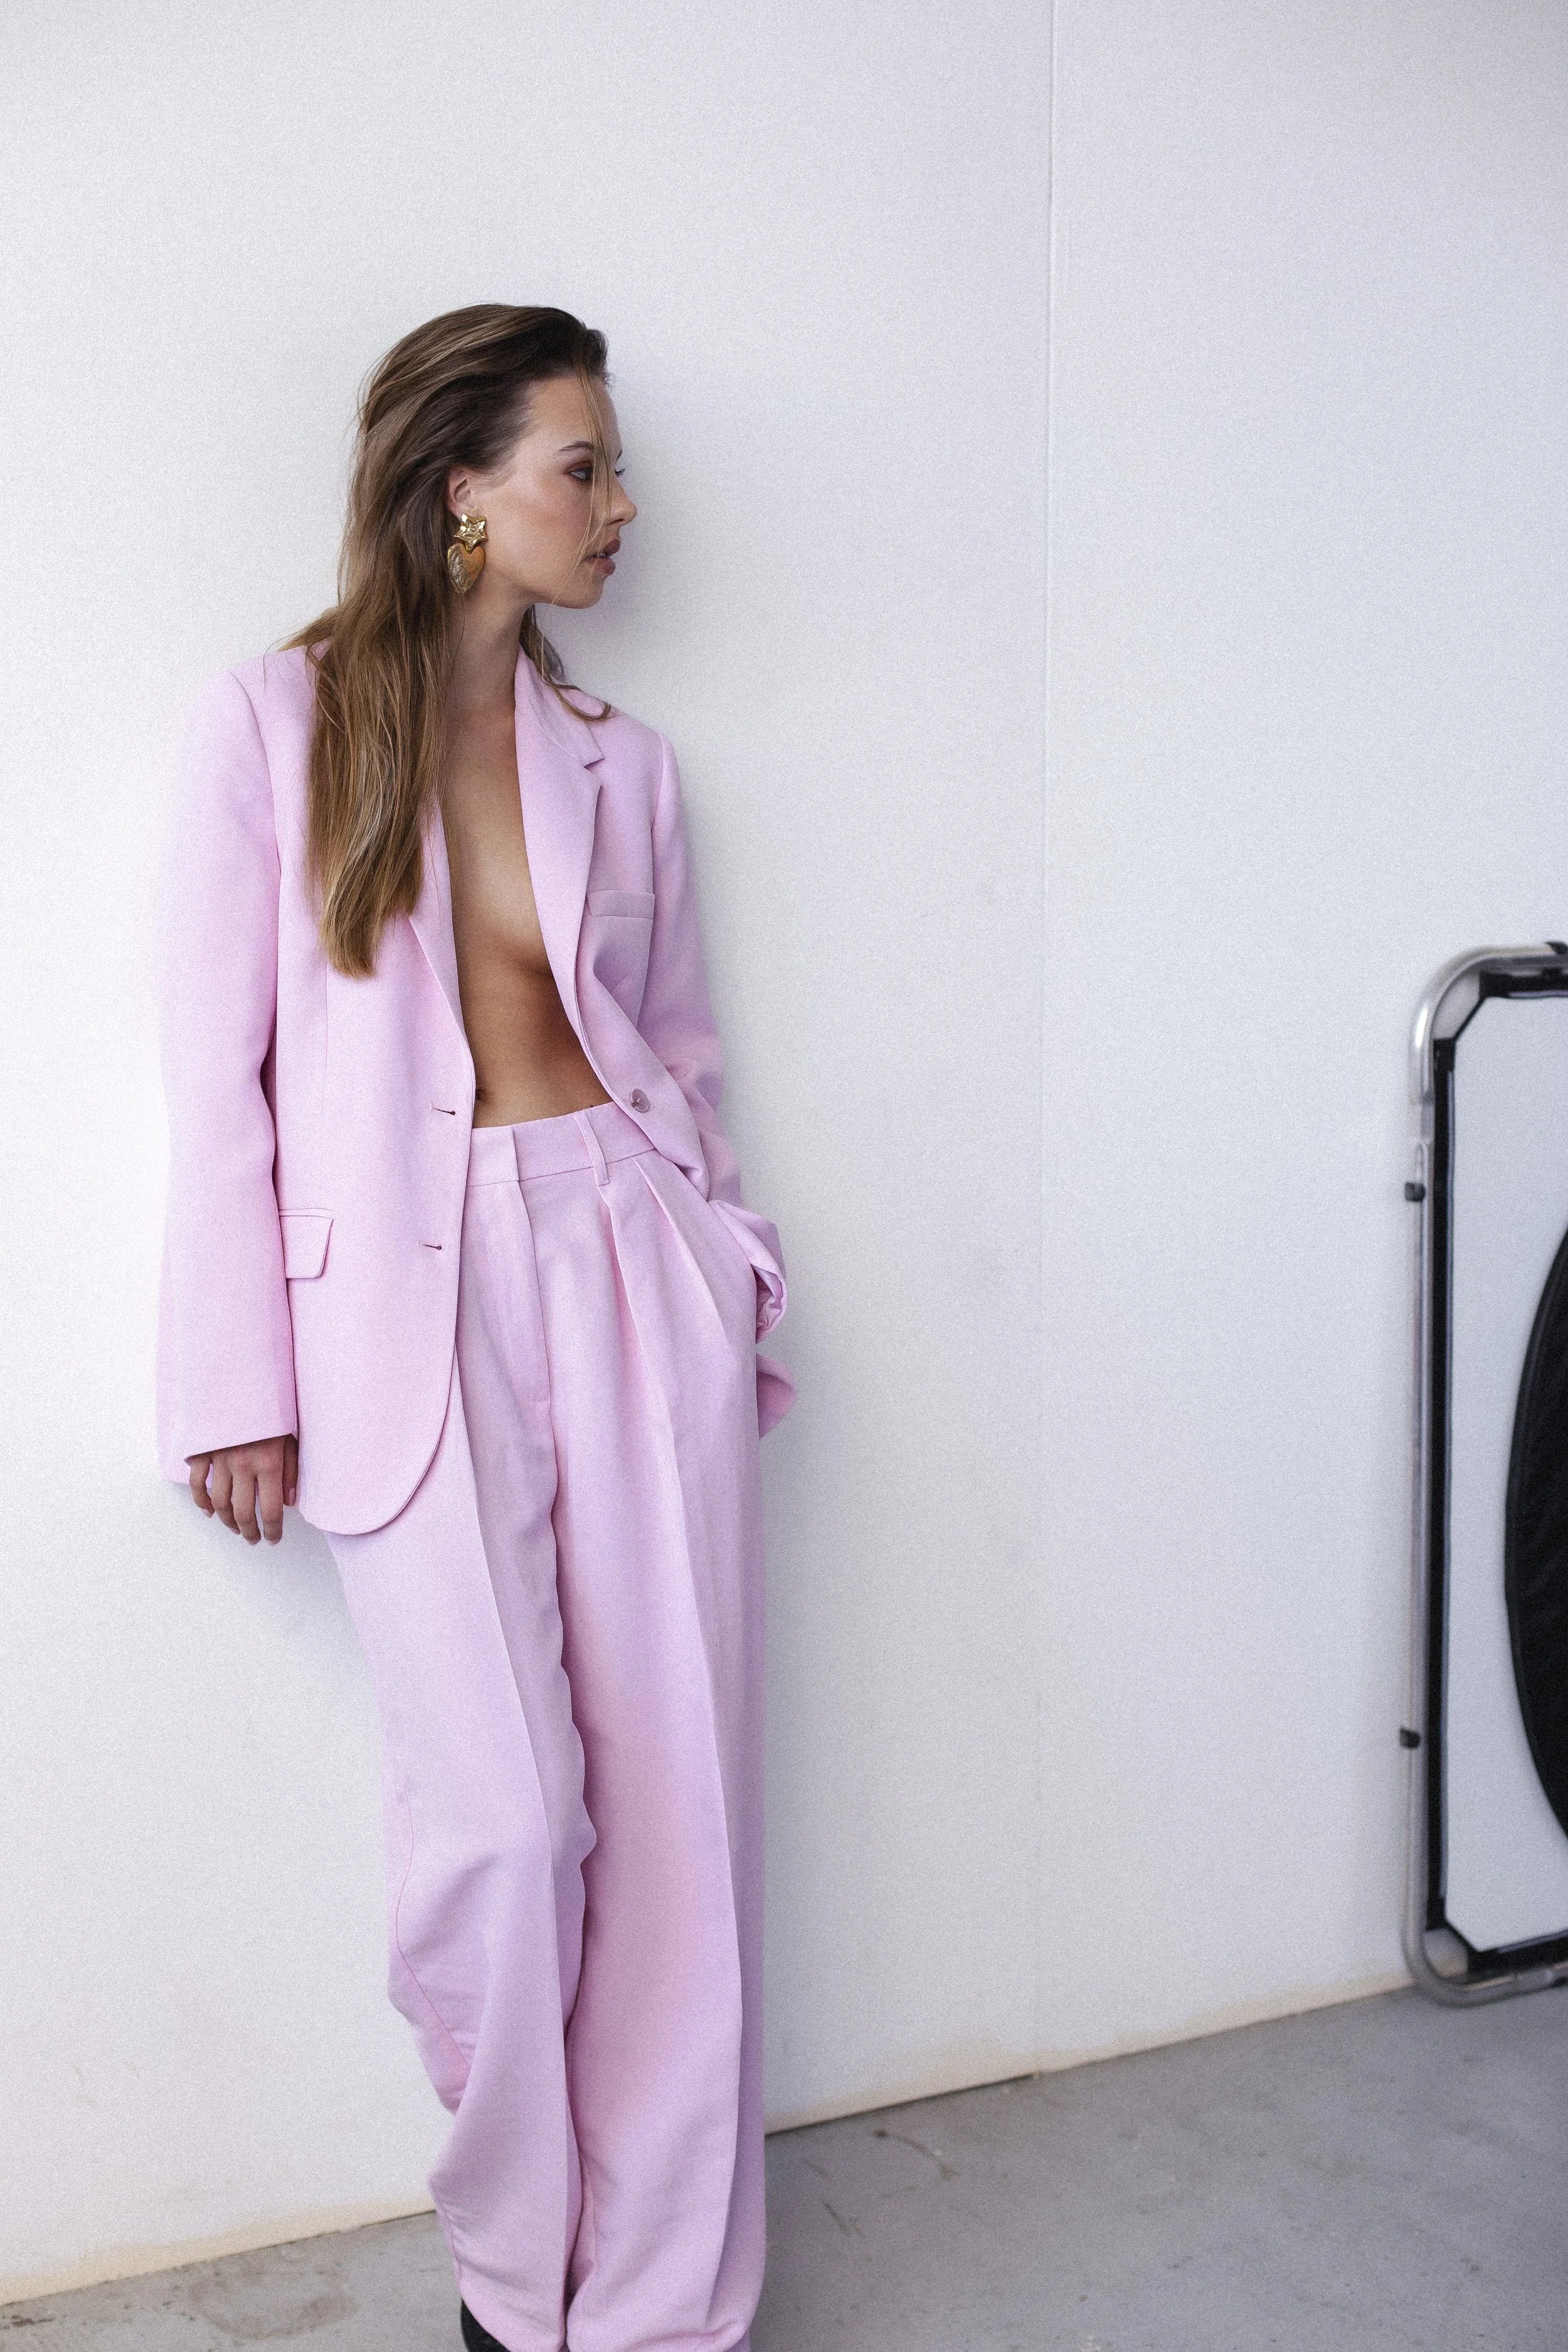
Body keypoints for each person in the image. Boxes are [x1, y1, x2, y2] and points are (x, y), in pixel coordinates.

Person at [156, 304, 795, 2352]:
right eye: (579, 467)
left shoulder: (628, 764)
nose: (618, 506)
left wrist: (732, 1265)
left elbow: (675, 1049)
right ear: (463, 492)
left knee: (682, 1818)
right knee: (506, 1829)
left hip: (628, 1260)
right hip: (399, 1320)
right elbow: (217, 1082)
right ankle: (518, 2282)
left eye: (610, 467)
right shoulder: (274, 727)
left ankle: (666, 2308)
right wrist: (230, 1376)